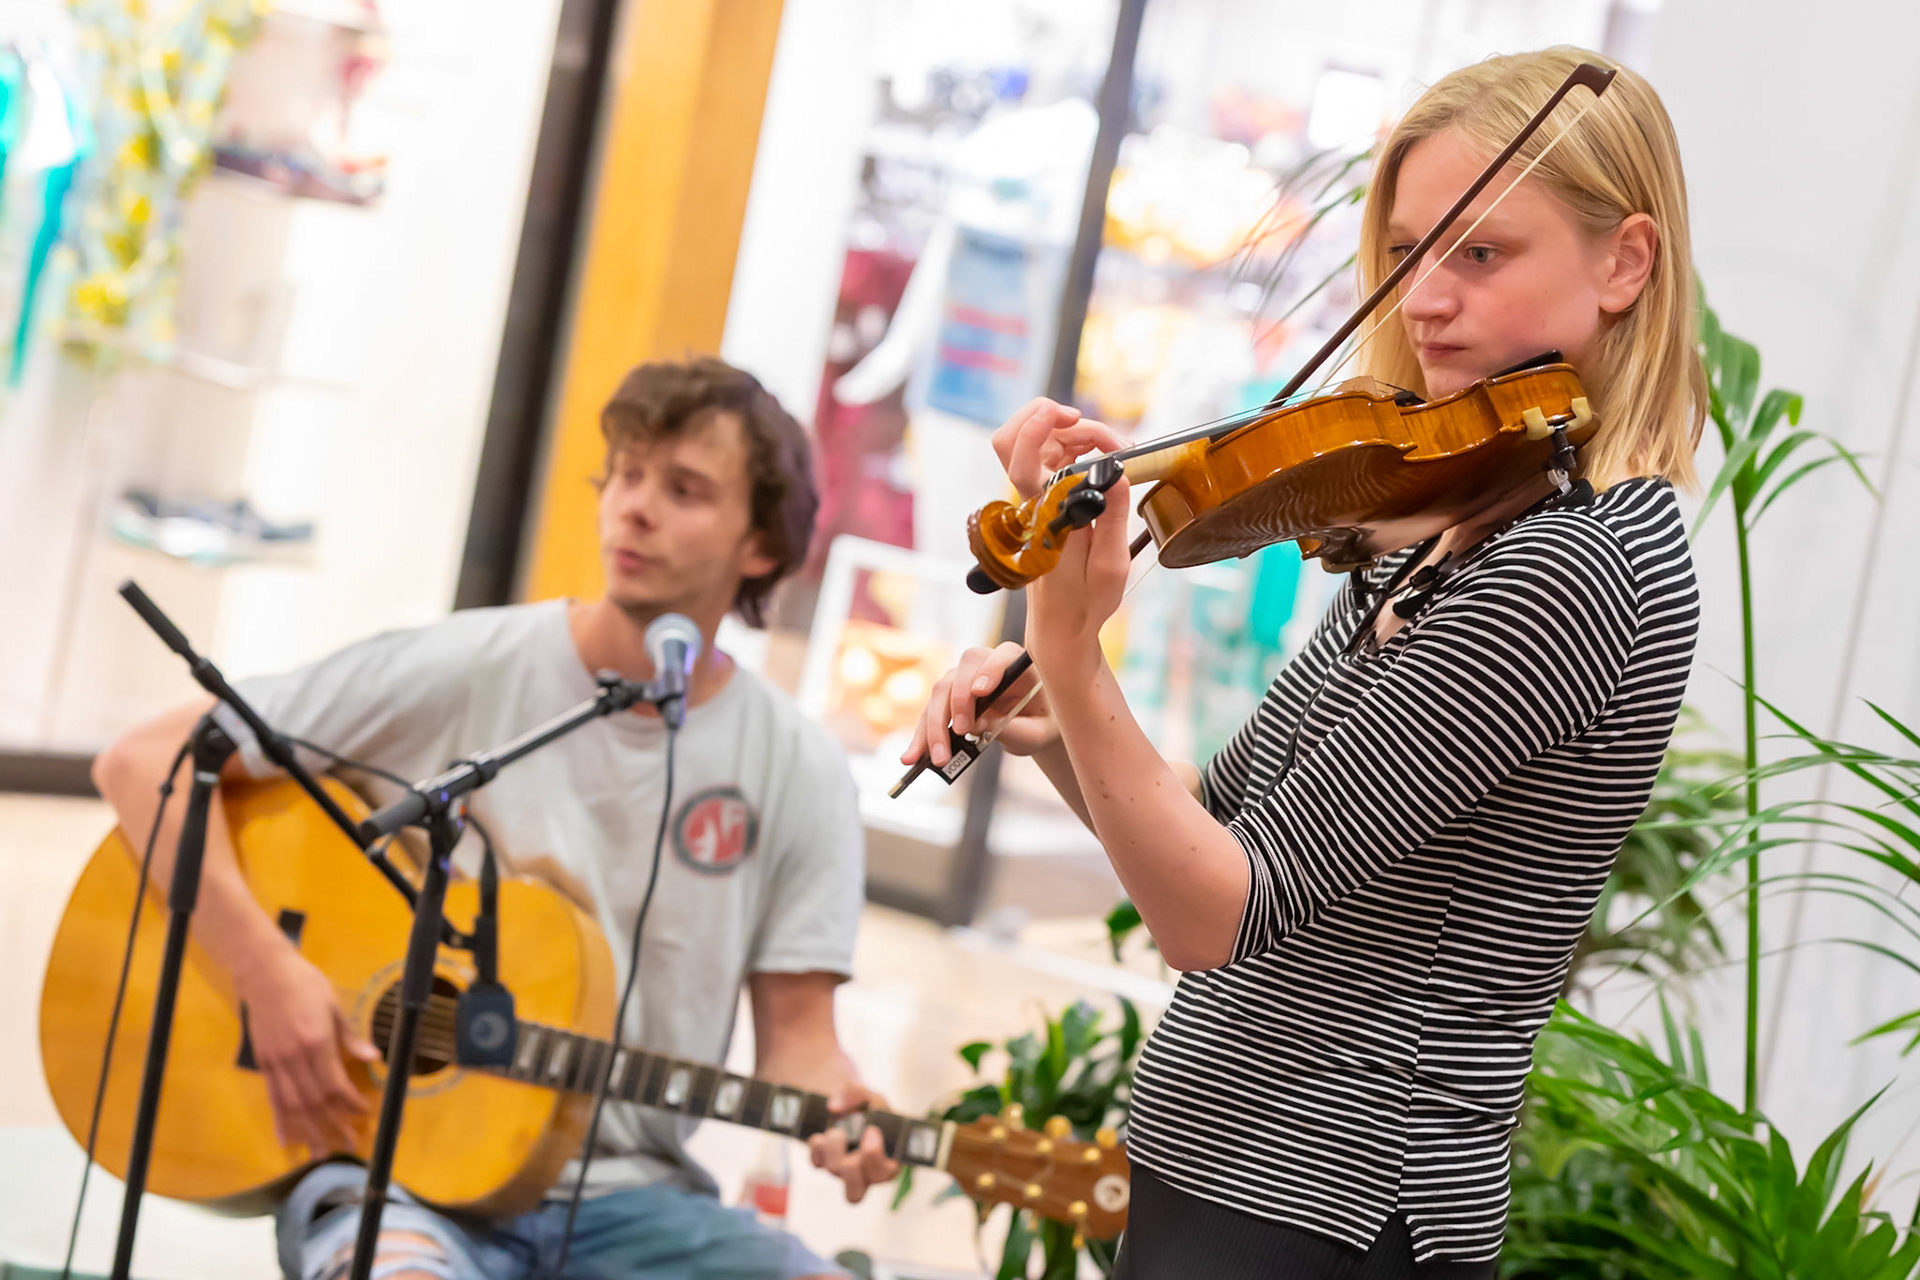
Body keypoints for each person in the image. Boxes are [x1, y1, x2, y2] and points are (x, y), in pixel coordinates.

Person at [907, 47, 1702, 1278]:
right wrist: (1057, 725)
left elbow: (1214, 910)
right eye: (1401, 256)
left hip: (1335, 1210)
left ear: (1624, 260)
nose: (1423, 300)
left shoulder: (1576, 567)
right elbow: (1221, 825)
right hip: (1231, 1174)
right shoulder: (1444, 527)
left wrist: (1068, 648)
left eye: (1479, 253)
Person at [93, 357, 898, 1280]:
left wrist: (841, 1111)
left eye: (683, 489)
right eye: (626, 474)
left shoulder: (797, 768)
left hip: (639, 1208)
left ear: (761, 547)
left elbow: (800, 1044)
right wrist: (265, 970)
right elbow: (142, 762)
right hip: (392, 1181)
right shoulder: (471, 665)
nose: (633, 507)